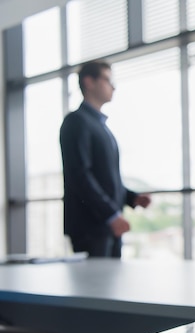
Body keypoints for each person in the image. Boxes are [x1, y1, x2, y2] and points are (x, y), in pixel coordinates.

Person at [59, 60, 151, 258]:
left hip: (107, 224)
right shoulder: (76, 122)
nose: (113, 86)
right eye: (108, 80)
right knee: (93, 287)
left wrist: (131, 197)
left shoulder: (99, 126)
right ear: (89, 82)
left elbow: (105, 177)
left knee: (110, 286)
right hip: (90, 226)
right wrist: (110, 214)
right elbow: (79, 175)